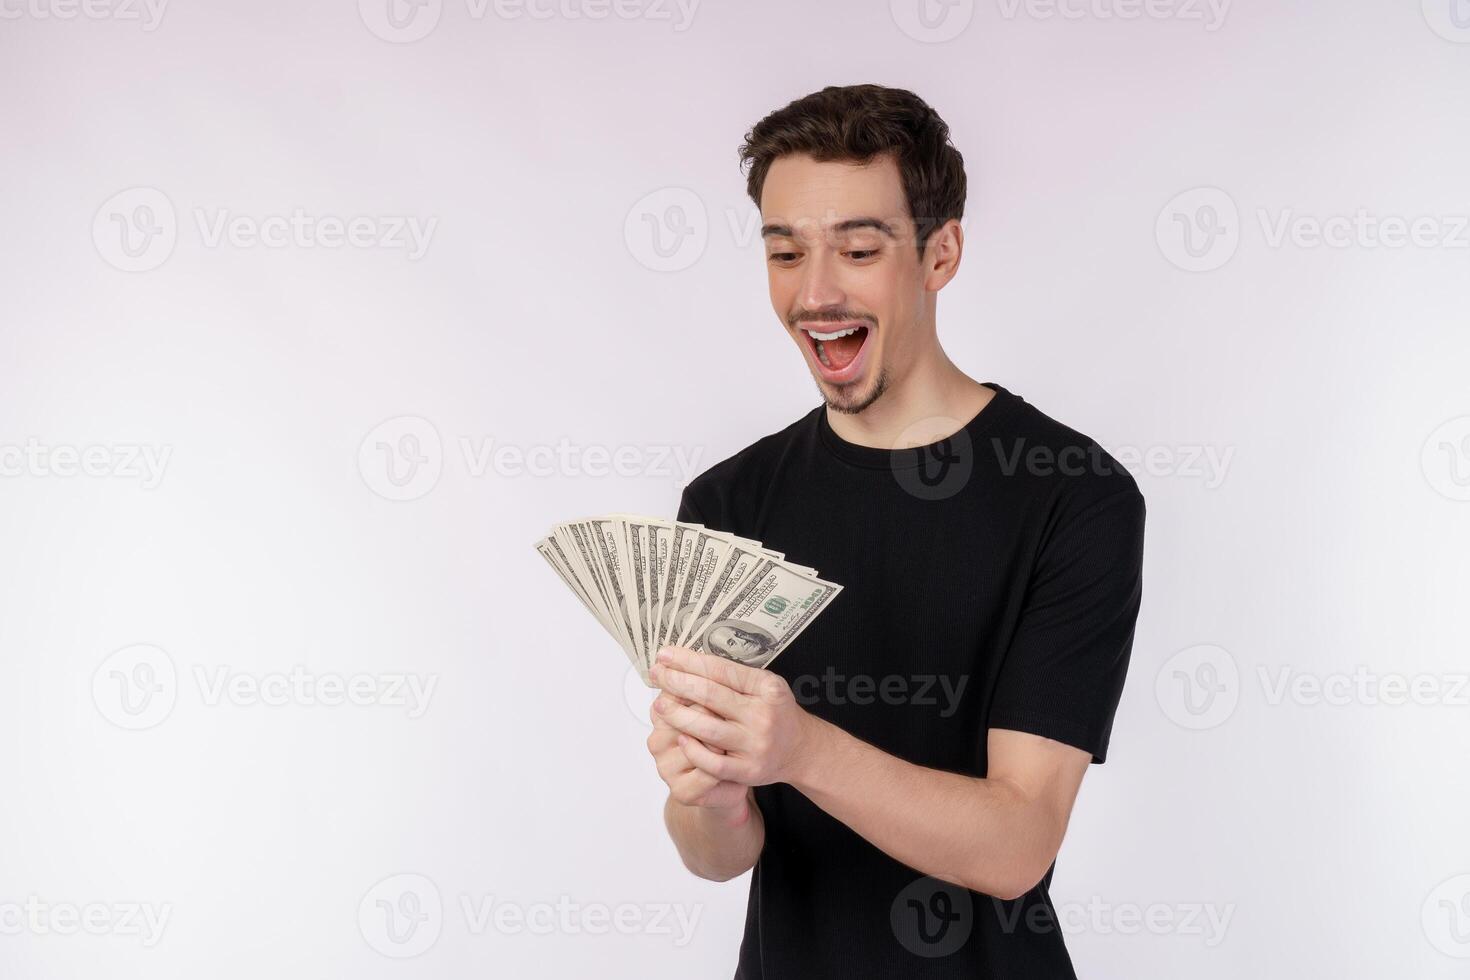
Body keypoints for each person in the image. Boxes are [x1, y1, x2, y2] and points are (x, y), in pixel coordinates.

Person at [645, 83, 1147, 979]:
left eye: (860, 249)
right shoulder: (727, 504)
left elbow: (1017, 845)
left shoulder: (1075, 498)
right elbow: (715, 857)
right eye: (785, 251)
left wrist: (797, 747)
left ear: (940, 252)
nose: (816, 291)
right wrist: (710, 797)